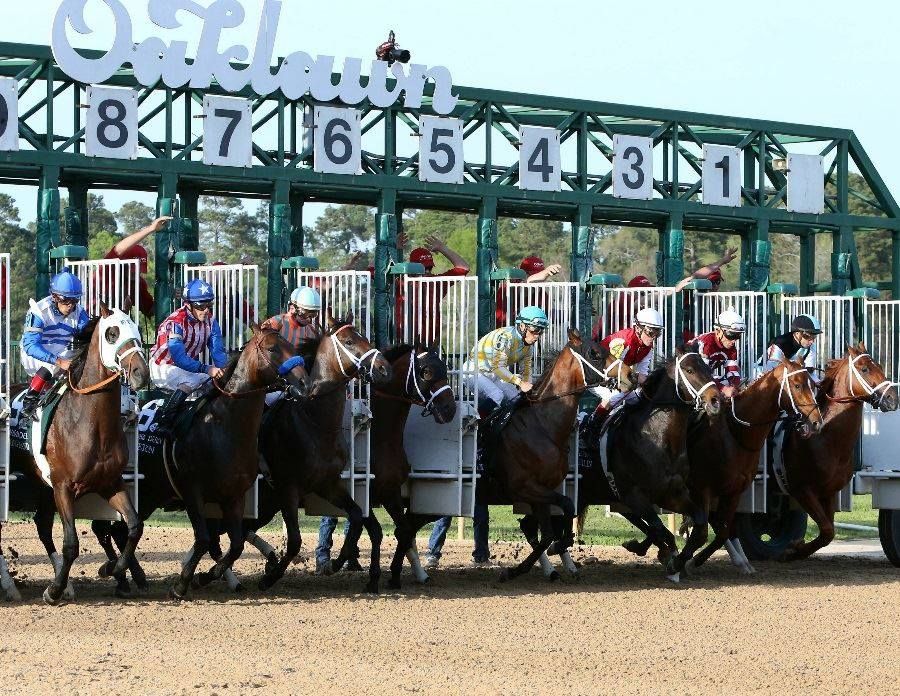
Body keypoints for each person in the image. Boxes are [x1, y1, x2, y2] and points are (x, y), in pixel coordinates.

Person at [149, 278, 228, 435]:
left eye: (209, 305)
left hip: (187, 369)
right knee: (194, 379)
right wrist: (207, 369)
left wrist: (223, 370)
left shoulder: (211, 321)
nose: (206, 310)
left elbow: (217, 350)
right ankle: (165, 420)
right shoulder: (175, 323)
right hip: (163, 367)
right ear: (188, 305)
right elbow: (179, 358)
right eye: (201, 306)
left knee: (215, 383)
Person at [18, 269, 90, 422]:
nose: (70, 306)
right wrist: (58, 361)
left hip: (60, 353)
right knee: (51, 365)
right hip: (33, 355)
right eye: (66, 300)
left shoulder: (79, 313)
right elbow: (31, 346)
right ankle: (29, 402)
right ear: (55, 297)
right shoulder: (39, 311)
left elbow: (90, 333)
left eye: (75, 300)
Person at [396, 232, 469, 344]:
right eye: (423, 269)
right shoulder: (400, 281)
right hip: (403, 344)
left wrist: (442, 248)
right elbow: (372, 271)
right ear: (411, 269)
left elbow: (463, 268)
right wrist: (394, 248)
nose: (427, 272)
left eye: (429, 268)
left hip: (430, 344)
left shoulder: (437, 282)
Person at [104, 215, 172, 320]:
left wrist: (171, 297)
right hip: (96, 321)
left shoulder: (138, 283)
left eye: (138, 271)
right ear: (121, 265)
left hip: (121, 326)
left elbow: (151, 310)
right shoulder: (107, 271)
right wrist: (151, 229)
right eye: (131, 271)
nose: (135, 274)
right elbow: (118, 250)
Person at [685, 309, 745, 398]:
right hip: (689, 378)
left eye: (737, 336)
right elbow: (703, 377)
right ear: (718, 331)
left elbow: (733, 372)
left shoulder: (731, 348)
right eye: (731, 335)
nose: (733, 341)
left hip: (703, 377)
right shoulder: (706, 344)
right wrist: (724, 389)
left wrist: (734, 386)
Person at [495, 255, 563, 326]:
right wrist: (544, 274)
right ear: (522, 274)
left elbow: (549, 313)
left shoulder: (541, 291)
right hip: (504, 332)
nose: (540, 280)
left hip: (528, 333)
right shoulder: (511, 286)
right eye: (533, 274)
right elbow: (525, 287)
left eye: (539, 274)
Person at [764, 314, 822, 383]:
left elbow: (809, 373)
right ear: (797, 334)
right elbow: (771, 373)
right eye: (808, 337)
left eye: (814, 338)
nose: (812, 341)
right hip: (762, 375)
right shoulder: (779, 344)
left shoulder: (811, 347)